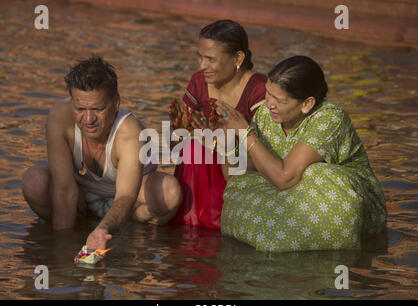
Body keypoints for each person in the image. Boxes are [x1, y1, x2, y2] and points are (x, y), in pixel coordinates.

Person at [216, 55, 387, 252]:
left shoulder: (330, 118)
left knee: (316, 173)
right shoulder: (265, 114)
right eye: (267, 93)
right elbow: (232, 172)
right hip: (289, 189)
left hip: (335, 200)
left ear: (307, 104)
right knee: (243, 184)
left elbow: (284, 179)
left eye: (279, 100)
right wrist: (227, 136)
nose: (269, 104)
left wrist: (245, 133)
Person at [22, 55, 182, 251]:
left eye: (98, 109)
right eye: (80, 109)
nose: (88, 119)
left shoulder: (131, 132)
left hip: (130, 203)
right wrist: (62, 249)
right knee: (34, 181)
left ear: (116, 103)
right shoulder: (58, 117)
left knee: (169, 191)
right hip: (81, 196)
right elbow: (64, 189)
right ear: (71, 101)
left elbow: (125, 196)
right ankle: (85, 226)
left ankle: (127, 235)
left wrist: (102, 230)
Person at [169, 20, 267, 229]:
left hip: (243, 174)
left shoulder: (259, 89)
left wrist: (217, 141)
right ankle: (189, 221)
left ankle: (217, 220)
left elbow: (267, 153)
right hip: (200, 178)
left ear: (237, 58)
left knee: (201, 146)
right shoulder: (198, 81)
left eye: (211, 59)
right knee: (192, 147)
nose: (202, 66)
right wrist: (177, 130)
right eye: (201, 57)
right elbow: (176, 149)